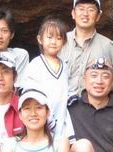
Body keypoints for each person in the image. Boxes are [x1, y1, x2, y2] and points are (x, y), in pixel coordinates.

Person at [23, 16, 75, 144]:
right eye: (49, 37)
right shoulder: (35, 65)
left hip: (62, 117)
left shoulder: (65, 66)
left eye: (59, 38)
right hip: (42, 118)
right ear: (40, 39)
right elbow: (30, 96)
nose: (54, 42)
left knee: (62, 146)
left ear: (64, 41)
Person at [60, 0, 112, 95]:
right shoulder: (60, 41)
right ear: (73, 13)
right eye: (81, 9)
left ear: (98, 16)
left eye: (91, 10)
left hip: (93, 103)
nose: (85, 14)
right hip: (61, 103)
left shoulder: (109, 46)